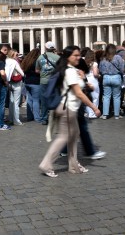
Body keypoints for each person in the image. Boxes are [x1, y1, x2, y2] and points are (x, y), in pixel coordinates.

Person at [39, 46, 101, 178]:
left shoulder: (72, 70)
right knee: (64, 137)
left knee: (74, 135)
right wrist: (93, 107)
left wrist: (84, 80)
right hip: (68, 108)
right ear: (68, 57)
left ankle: (73, 164)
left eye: (79, 55)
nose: (79, 57)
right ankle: (46, 164)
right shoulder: (70, 72)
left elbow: (79, 88)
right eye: (76, 55)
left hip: (69, 108)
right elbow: (78, 93)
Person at [36, 41, 59, 125]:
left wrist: (44, 72)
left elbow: (37, 70)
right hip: (54, 81)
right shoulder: (57, 57)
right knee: (55, 99)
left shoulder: (40, 57)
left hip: (43, 81)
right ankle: (55, 117)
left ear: (46, 48)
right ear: (53, 48)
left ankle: (44, 118)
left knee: (44, 100)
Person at [99, 44, 125, 119]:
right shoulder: (118, 57)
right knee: (116, 97)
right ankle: (116, 115)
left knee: (106, 96)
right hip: (116, 77)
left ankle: (105, 114)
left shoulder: (103, 58)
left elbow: (100, 69)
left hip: (106, 77)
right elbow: (122, 69)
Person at [21, 48, 41, 122]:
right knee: (36, 100)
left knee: (29, 99)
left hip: (27, 82)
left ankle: (29, 116)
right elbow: (38, 71)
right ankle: (37, 117)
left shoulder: (26, 61)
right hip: (36, 82)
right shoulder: (37, 61)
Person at [5, 49, 25, 126]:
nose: (17, 56)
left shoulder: (6, 61)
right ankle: (16, 120)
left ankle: (10, 118)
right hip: (17, 83)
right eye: (16, 55)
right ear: (13, 55)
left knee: (11, 102)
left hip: (9, 82)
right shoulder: (14, 62)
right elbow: (22, 73)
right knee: (16, 103)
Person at [84, 50, 101, 119]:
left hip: (86, 80)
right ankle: (93, 113)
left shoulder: (84, 63)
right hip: (93, 81)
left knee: (87, 97)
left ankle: (88, 112)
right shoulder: (94, 64)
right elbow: (95, 74)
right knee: (95, 97)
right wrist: (99, 75)